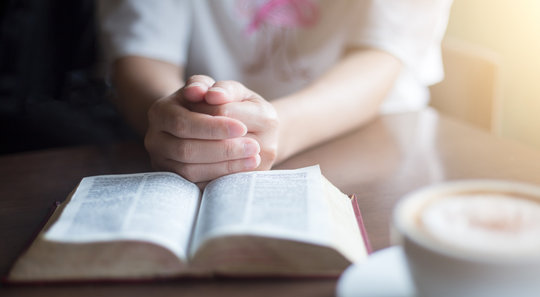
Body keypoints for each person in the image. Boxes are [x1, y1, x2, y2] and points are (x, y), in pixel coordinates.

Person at [98, 0, 452, 185]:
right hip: (205, 141)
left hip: (375, 143)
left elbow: (379, 61)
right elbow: (141, 56)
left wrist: (273, 129)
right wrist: (177, 118)